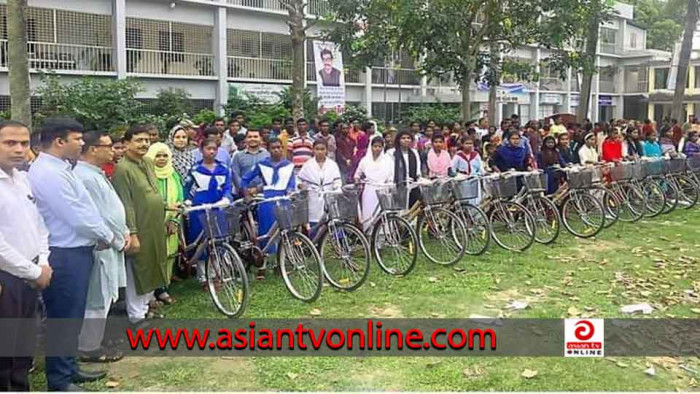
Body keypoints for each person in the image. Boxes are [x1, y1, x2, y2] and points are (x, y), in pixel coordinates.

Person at [29, 117, 117, 391]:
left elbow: (86, 208)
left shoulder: (62, 168)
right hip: (64, 253)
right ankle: (60, 381)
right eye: (77, 139)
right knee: (63, 318)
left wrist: (100, 234)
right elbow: (76, 216)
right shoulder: (47, 173)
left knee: (72, 315)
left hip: (77, 250)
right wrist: (107, 236)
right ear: (59, 141)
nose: (82, 143)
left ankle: (68, 368)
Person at [0, 120, 53, 391]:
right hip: (6, 278)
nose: (19, 149)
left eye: (23, 143)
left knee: (23, 344)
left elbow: (38, 225)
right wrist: (33, 272)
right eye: (10, 143)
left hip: (31, 274)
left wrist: (42, 262)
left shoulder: (21, 179)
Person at [74, 131, 129, 364]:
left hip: (113, 242)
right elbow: (98, 215)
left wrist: (124, 232)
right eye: (107, 146)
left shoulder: (95, 174)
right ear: (93, 149)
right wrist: (118, 238)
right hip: (102, 244)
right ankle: (88, 347)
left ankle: (96, 339)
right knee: (97, 296)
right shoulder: (84, 177)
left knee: (106, 294)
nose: (113, 150)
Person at [112, 124, 168, 324]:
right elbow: (126, 204)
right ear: (126, 143)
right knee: (138, 270)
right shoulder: (122, 169)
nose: (144, 144)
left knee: (154, 265)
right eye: (139, 140)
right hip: (139, 228)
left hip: (155, 226)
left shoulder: (147, 162)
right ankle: (136, 316)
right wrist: (132, 233)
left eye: (146, 140)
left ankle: (145, 308)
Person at [241, 138, 295, 273]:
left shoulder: (289, 165)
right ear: (268, 149)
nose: (276, 150)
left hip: (283, 200)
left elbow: (291, 183)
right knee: (266, 232)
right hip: (267, 202)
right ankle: (263, 265)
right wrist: (246, 193)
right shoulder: (262, 165)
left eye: (279, 147)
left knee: (284, 232)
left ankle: (280, 263)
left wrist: (290, 192)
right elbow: (245, 179)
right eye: (273, 148)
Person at [184, 137, 232, 285]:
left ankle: (216, 272)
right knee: (200, 241)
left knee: (218, 239)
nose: (211, 152)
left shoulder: (224, 168)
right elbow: (187, 188)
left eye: (214, 149)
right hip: (200, 208)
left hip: (217, 207)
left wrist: (226, 198)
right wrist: (187, 201)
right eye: (208, 149)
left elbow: (227, 187)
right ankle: (202, 275)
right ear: (201, 150)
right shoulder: (194, 169)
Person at [145, 142, 183, 304]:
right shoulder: (146, 174)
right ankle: (150, 292)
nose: (161, 159)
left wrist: (174, 220)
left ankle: (163, 288)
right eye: (157, 155)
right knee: (152, 257)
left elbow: (180, 198)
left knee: (168, 255)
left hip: (171, 222)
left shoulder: (173, 174)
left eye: (165, 155)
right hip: (149, 223)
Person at [297, 140, 342, 227]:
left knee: (331, 223)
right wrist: (300, 186)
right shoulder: (308, 165)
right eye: (317, 149)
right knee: (315, 224)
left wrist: (336, 188)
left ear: (326, 150)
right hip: (313, 198)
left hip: (329, 196)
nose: (320, 152)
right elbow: (299, 180)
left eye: (322, 149)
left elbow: (337, 181)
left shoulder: (332, 165)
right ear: (313, 150)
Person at [354, 136, 393, 231]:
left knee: (383, 214)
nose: (377, 149)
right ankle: (369, 234)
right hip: (369, 191)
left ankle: (384, 236)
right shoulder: (365, 161)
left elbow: (391, 176)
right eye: (375, 146)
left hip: (383, 190)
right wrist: (357, 182)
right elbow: (357, 174)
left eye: (380, 146)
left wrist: (388, 186)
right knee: (369, 213)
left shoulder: (388, 160)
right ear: (371, 147)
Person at [230, 129, 270, 195]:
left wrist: (258, 189)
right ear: (246, 139)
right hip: (243, 195)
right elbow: (235, 175)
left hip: (263, 193)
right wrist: (244, 190)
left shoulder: (267, 155)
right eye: (250, 137)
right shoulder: (238, 156)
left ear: (261, 138)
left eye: (255, 137)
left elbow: (270, 176)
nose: (252, 139)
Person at [389, 130, 422, 207]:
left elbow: (418, 168)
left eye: (408, 138)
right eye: (403, 138)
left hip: (412, 184)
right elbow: (390, 169)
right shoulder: (392, 153)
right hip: (398, 185)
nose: (406, 140)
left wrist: (417, 178)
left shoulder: (414, 152)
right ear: (398, 140)